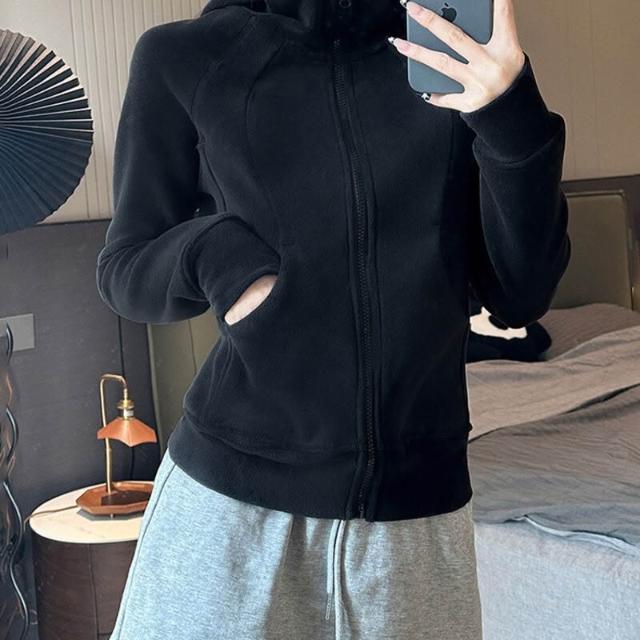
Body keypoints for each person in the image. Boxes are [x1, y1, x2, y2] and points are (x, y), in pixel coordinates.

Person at [97, 0, 571, 638]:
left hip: (416, 519)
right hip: (232, 509)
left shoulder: (452, 52)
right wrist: (222, 259)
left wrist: (510, 111)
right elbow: (124, 267)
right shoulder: (185, 56)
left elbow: (520, 294)